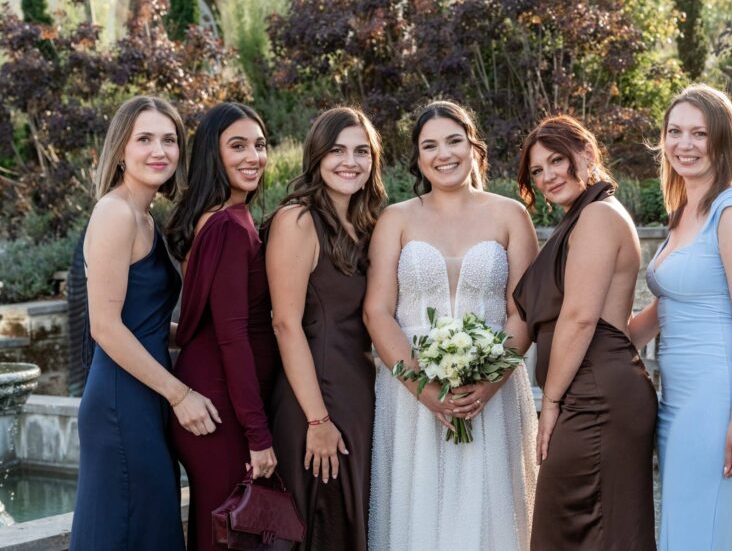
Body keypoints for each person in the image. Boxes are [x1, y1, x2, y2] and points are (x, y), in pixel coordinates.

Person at [364, 100, 539, 551]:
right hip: (411, 396)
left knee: (491, 514)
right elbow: (377, 311)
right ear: (419, 159)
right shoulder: (396, 218)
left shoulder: (510, 215)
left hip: (492, 396)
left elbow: (524, 312)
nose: (444, 153)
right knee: (416, 513)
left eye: (454, 141)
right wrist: (423, 389)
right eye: (430, 145)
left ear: (473, 147)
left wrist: (490, 384)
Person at [71, 96, 220, 551]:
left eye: (170, 140)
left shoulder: (146, 217)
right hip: (121, 400)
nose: (160, 150)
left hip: (144, 393)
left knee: (149, 526)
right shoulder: (115, 213)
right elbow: (106, 327)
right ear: (120, 150)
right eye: (145, 139)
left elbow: (146, 323)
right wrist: (181, 394)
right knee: (125, 529)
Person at [629, 85, 732, 550]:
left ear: (722, 141)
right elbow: (664, 310)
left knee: (701, 536)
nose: (683, 144)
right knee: (681, 533)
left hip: (718, 396)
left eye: (698, 134)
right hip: (675, 400)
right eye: (674, 132)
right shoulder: (682, 212)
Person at [512, 115, 657, 550]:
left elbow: (579, 317)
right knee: (591, 530)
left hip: (594, 397)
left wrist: (551, 402)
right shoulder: (586, 215)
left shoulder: (596, 215)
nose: (548, 176)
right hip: (595, 386)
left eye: (557, 160)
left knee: (575, 529)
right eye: (537, 171)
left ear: (588, 154)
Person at [265, 107, 386, 550]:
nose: (349, 161)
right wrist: (317, 419)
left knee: (349, 518)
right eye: (337, 150)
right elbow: (285, 324)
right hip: (313, 395)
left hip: (357, 389)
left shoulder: (367, 223)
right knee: (318, 521)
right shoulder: (297, 220)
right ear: (316, 156)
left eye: (361, 151)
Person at [166, 102, 278, 551]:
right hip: (220, 410)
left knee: (221, 535)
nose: (253, 156)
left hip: (217, 397)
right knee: (228, 537)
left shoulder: (225, 216)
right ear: (213, 154)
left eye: (260, 145)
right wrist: (259, 435)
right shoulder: (228, 226)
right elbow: (231, 336)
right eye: (238, 146)